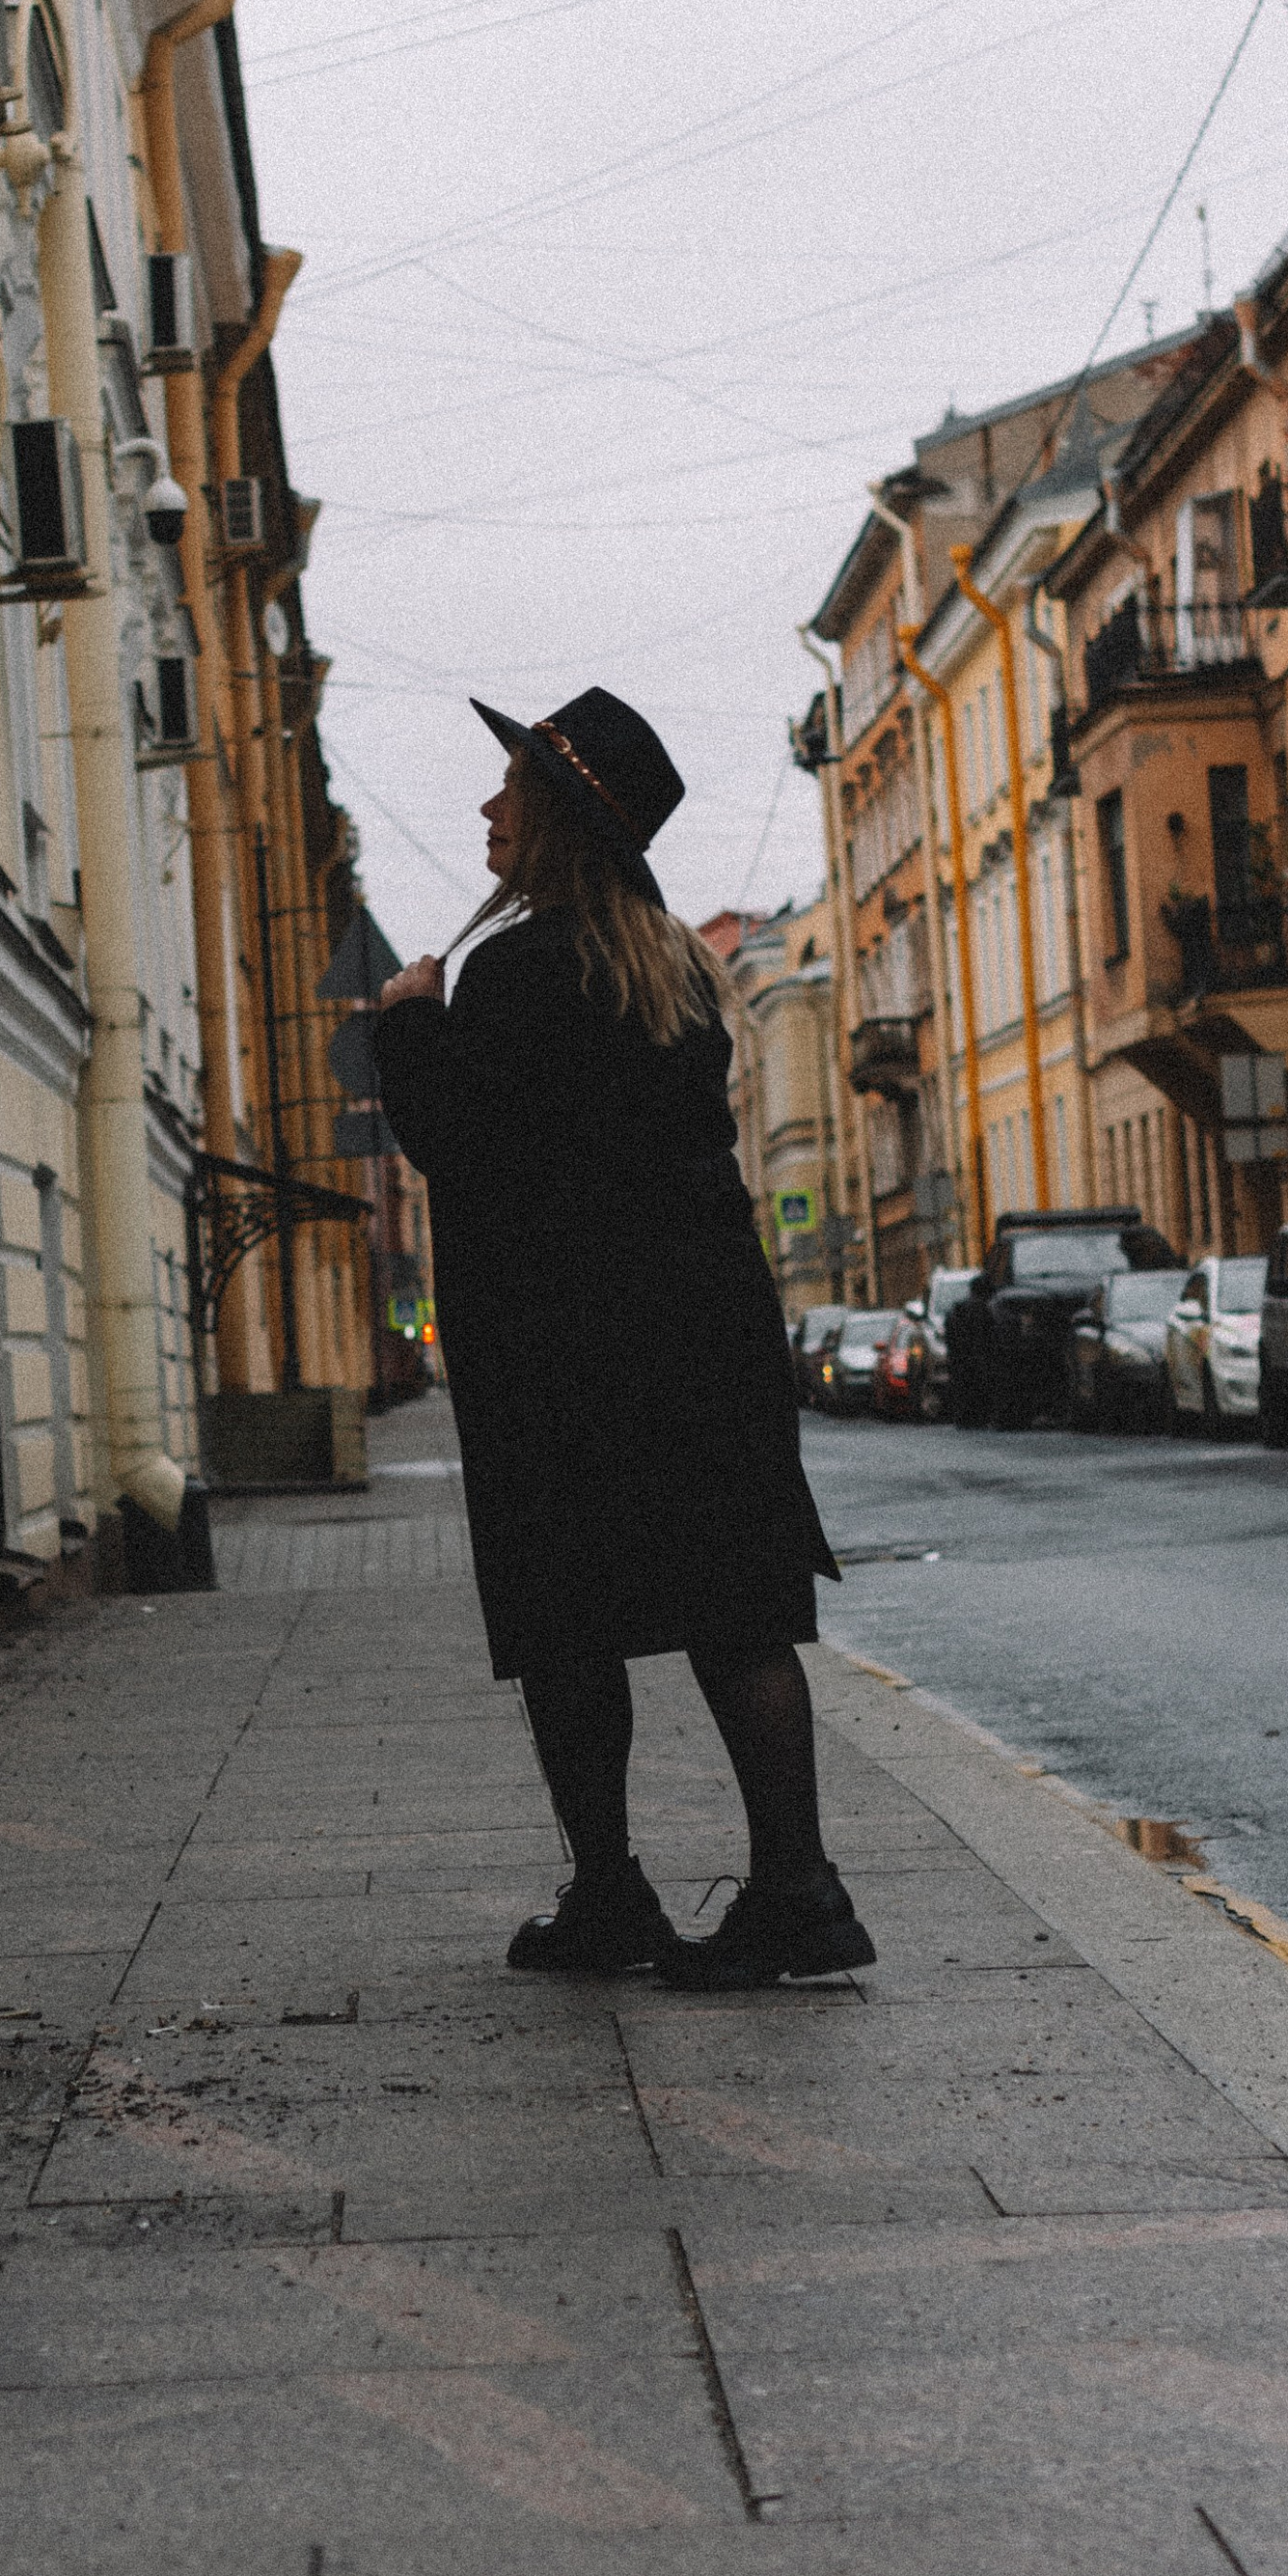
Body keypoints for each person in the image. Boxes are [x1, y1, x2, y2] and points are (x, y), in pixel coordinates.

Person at [373, 686, 873, 1991]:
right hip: (704, 1335)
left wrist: (407, 1022)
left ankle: (610, 1894)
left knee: (568, 1619)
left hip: (565, 1358)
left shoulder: (520, 972)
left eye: (512, 789)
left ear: (557, 824)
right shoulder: (674, 973)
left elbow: (465, 1150)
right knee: (736, 1610)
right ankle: (797, 1889)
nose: (490, 805)